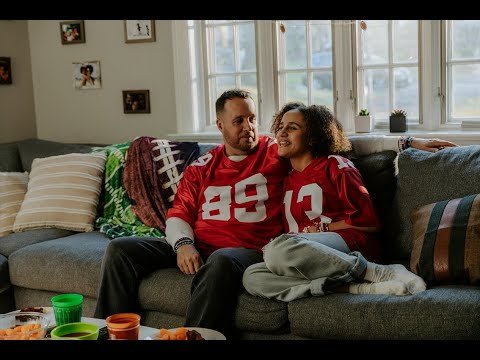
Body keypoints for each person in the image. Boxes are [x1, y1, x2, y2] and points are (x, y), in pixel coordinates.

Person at [93, 89, 457, 339]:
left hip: (246, 250)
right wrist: (183, 244)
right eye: (238, 121)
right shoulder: (201, 165)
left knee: (221, 260)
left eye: (252, 119)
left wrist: (407, 142)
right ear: (219, 126)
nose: (249, 128)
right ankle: (103, 329)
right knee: (122, 248)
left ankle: (194, 336)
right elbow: (179, 213)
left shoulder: (276, 152)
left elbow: (343, 144)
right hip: (199, 244)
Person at [242, 103, 430, 302]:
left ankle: (378, 271)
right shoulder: (286, 178)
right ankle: (355, 288)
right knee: (252, 276)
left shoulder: (335, 165)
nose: (282, 133)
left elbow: (370, 222)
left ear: (313, 137)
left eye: (292, 127)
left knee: (278, 250)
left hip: (348, 244)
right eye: (280, 127)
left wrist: (323, 227)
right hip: (303, 255)